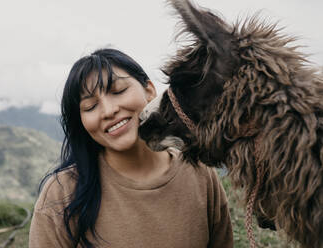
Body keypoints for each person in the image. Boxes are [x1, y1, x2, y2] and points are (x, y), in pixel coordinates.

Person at [29, 48, 233, 248]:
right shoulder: (62, 194)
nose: (109, 111)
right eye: (90, 106)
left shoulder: (198, 171)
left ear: (149, 90)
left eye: (118, 91)